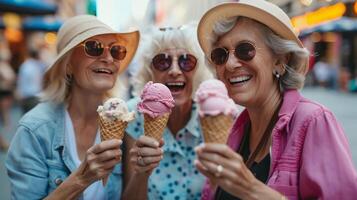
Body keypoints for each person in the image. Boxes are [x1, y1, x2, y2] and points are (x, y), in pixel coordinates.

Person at [194, 1, 357, 200]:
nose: (229, 64)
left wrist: (252, 190)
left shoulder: (314, 121)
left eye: (245, 50)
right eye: (220, 54)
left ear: (281, 60)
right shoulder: (234, 131)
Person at [6, 15, 139, 199]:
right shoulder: (34, 131)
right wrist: (81, 179)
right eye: (94, 47)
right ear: (67, 64)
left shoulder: (125, 123)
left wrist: (143, 172)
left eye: (116, 51)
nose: (109, 58)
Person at [121, 25, 213, 200]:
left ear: (198, 70)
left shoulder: (211, 114)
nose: (175, 71)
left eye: (186, 61)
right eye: (162, 61)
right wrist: (142, 173)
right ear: (150, 71)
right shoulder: (134, 114)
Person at [16, 49, 46, 113]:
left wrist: (20, 94)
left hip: (28, 96)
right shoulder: (39, 65)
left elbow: (21, 81)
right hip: (37, 95)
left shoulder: (25, 65)